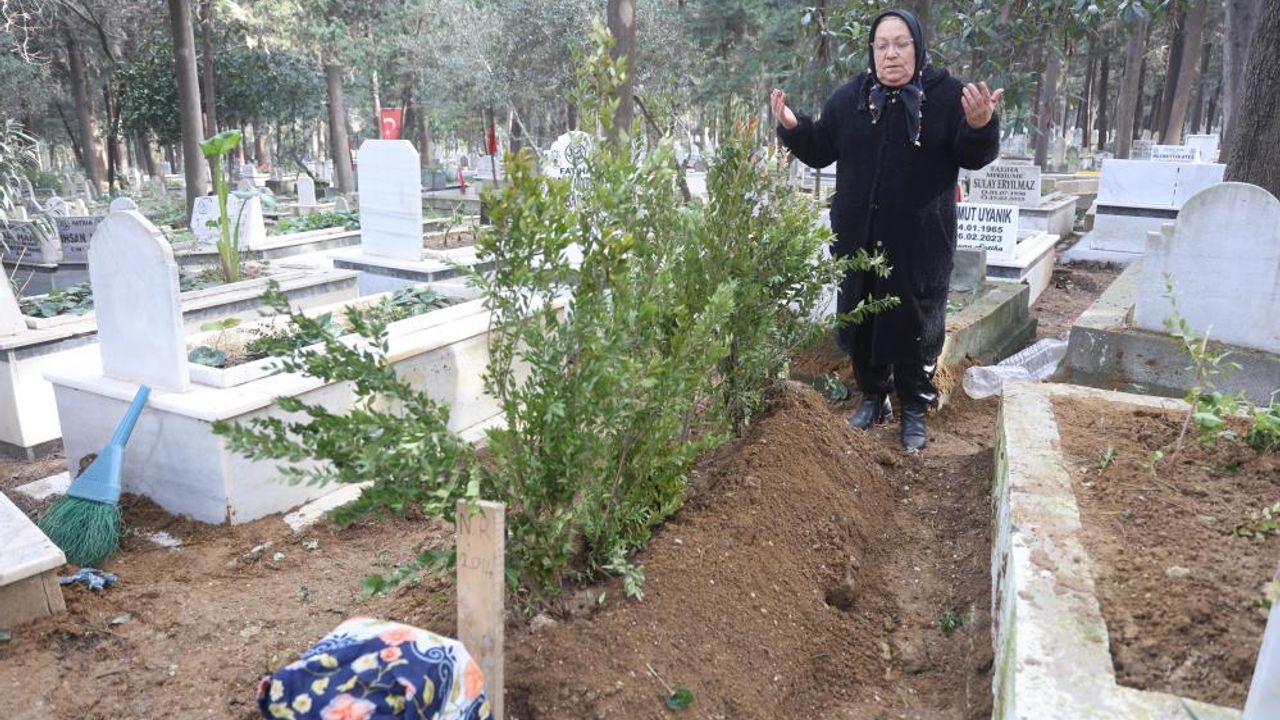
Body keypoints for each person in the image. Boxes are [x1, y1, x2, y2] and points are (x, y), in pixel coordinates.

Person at [771, 8, 1002, 450]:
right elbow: (821, 148)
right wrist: (794, 126)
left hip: (920, 243)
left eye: (900, 44)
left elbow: (973, 156)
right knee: (862, 314)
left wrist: (979, 125)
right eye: (882, 45)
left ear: (918, 46)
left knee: (915, 321)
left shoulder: (947, 96)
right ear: (871, 51)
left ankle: (914, 405)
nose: (891, 54)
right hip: (858, 237)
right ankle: (873, 396)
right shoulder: (850, 98)